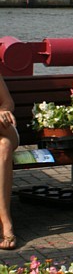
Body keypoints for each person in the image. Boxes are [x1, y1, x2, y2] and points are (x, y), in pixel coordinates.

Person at [0, 74, 18, 250]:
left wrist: (2, 111)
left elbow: (8, 103)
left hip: (3, 128)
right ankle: (6, 222)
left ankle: (5, 222)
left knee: (5, 141)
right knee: (3, 147)